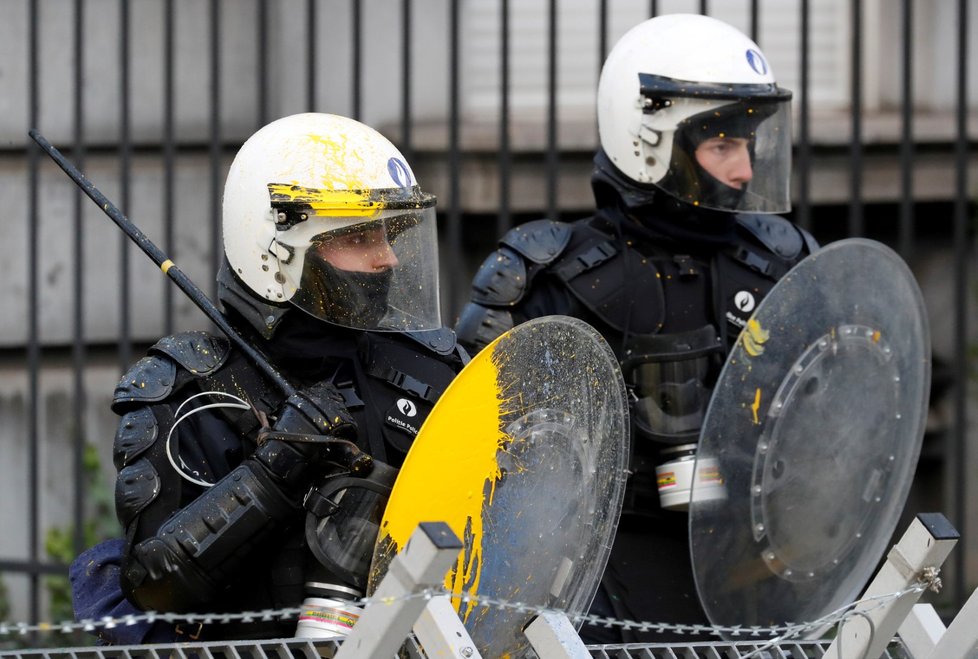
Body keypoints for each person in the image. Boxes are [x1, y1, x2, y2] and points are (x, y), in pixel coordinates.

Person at [455, 14, 818, 643]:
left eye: (749, 144)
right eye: (722, 145)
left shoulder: (786, 264)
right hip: (589, 600)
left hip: (760, 590)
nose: (744, 170)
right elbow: (480, 468)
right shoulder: (542, 277)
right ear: (651, 141)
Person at [69, 112, 467, 644]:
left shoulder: (432, 369)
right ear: (276, 250)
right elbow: (155, 592)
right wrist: (272, 472)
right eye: (358, 235)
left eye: (390, 233)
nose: (387, 258)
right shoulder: (187, 391)